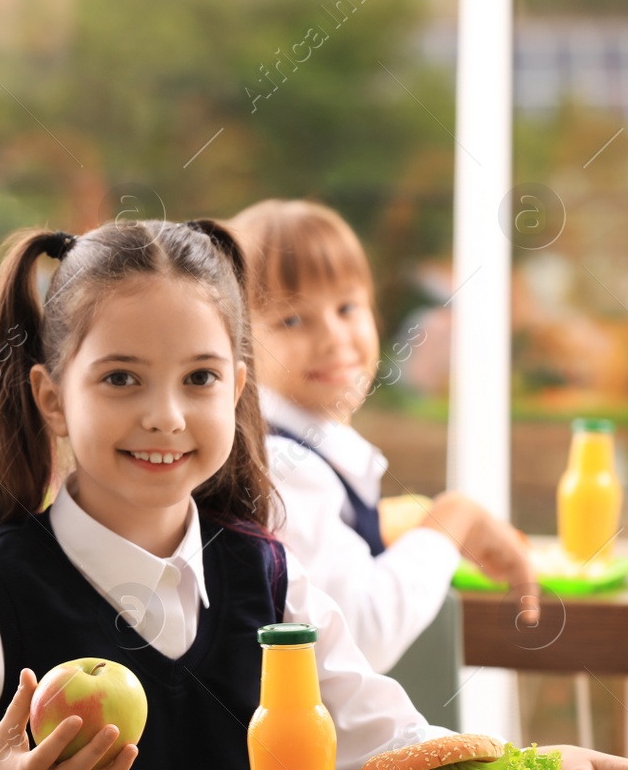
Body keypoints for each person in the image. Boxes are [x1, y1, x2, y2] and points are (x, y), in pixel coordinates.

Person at [0, 218, 628, 770]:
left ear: (236, 388)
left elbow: (389, 748)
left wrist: (538, 769)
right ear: (53, 395)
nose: (165, 416)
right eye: (121, 377)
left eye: (199, 378)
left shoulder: (271, 580)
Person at [228, 198, 538, 674]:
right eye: (292, 319)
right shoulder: (283, 467)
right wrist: (454, 518)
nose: (334, 337)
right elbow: (365, 633)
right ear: (238, 343)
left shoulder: (300, 448)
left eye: (347, 307)